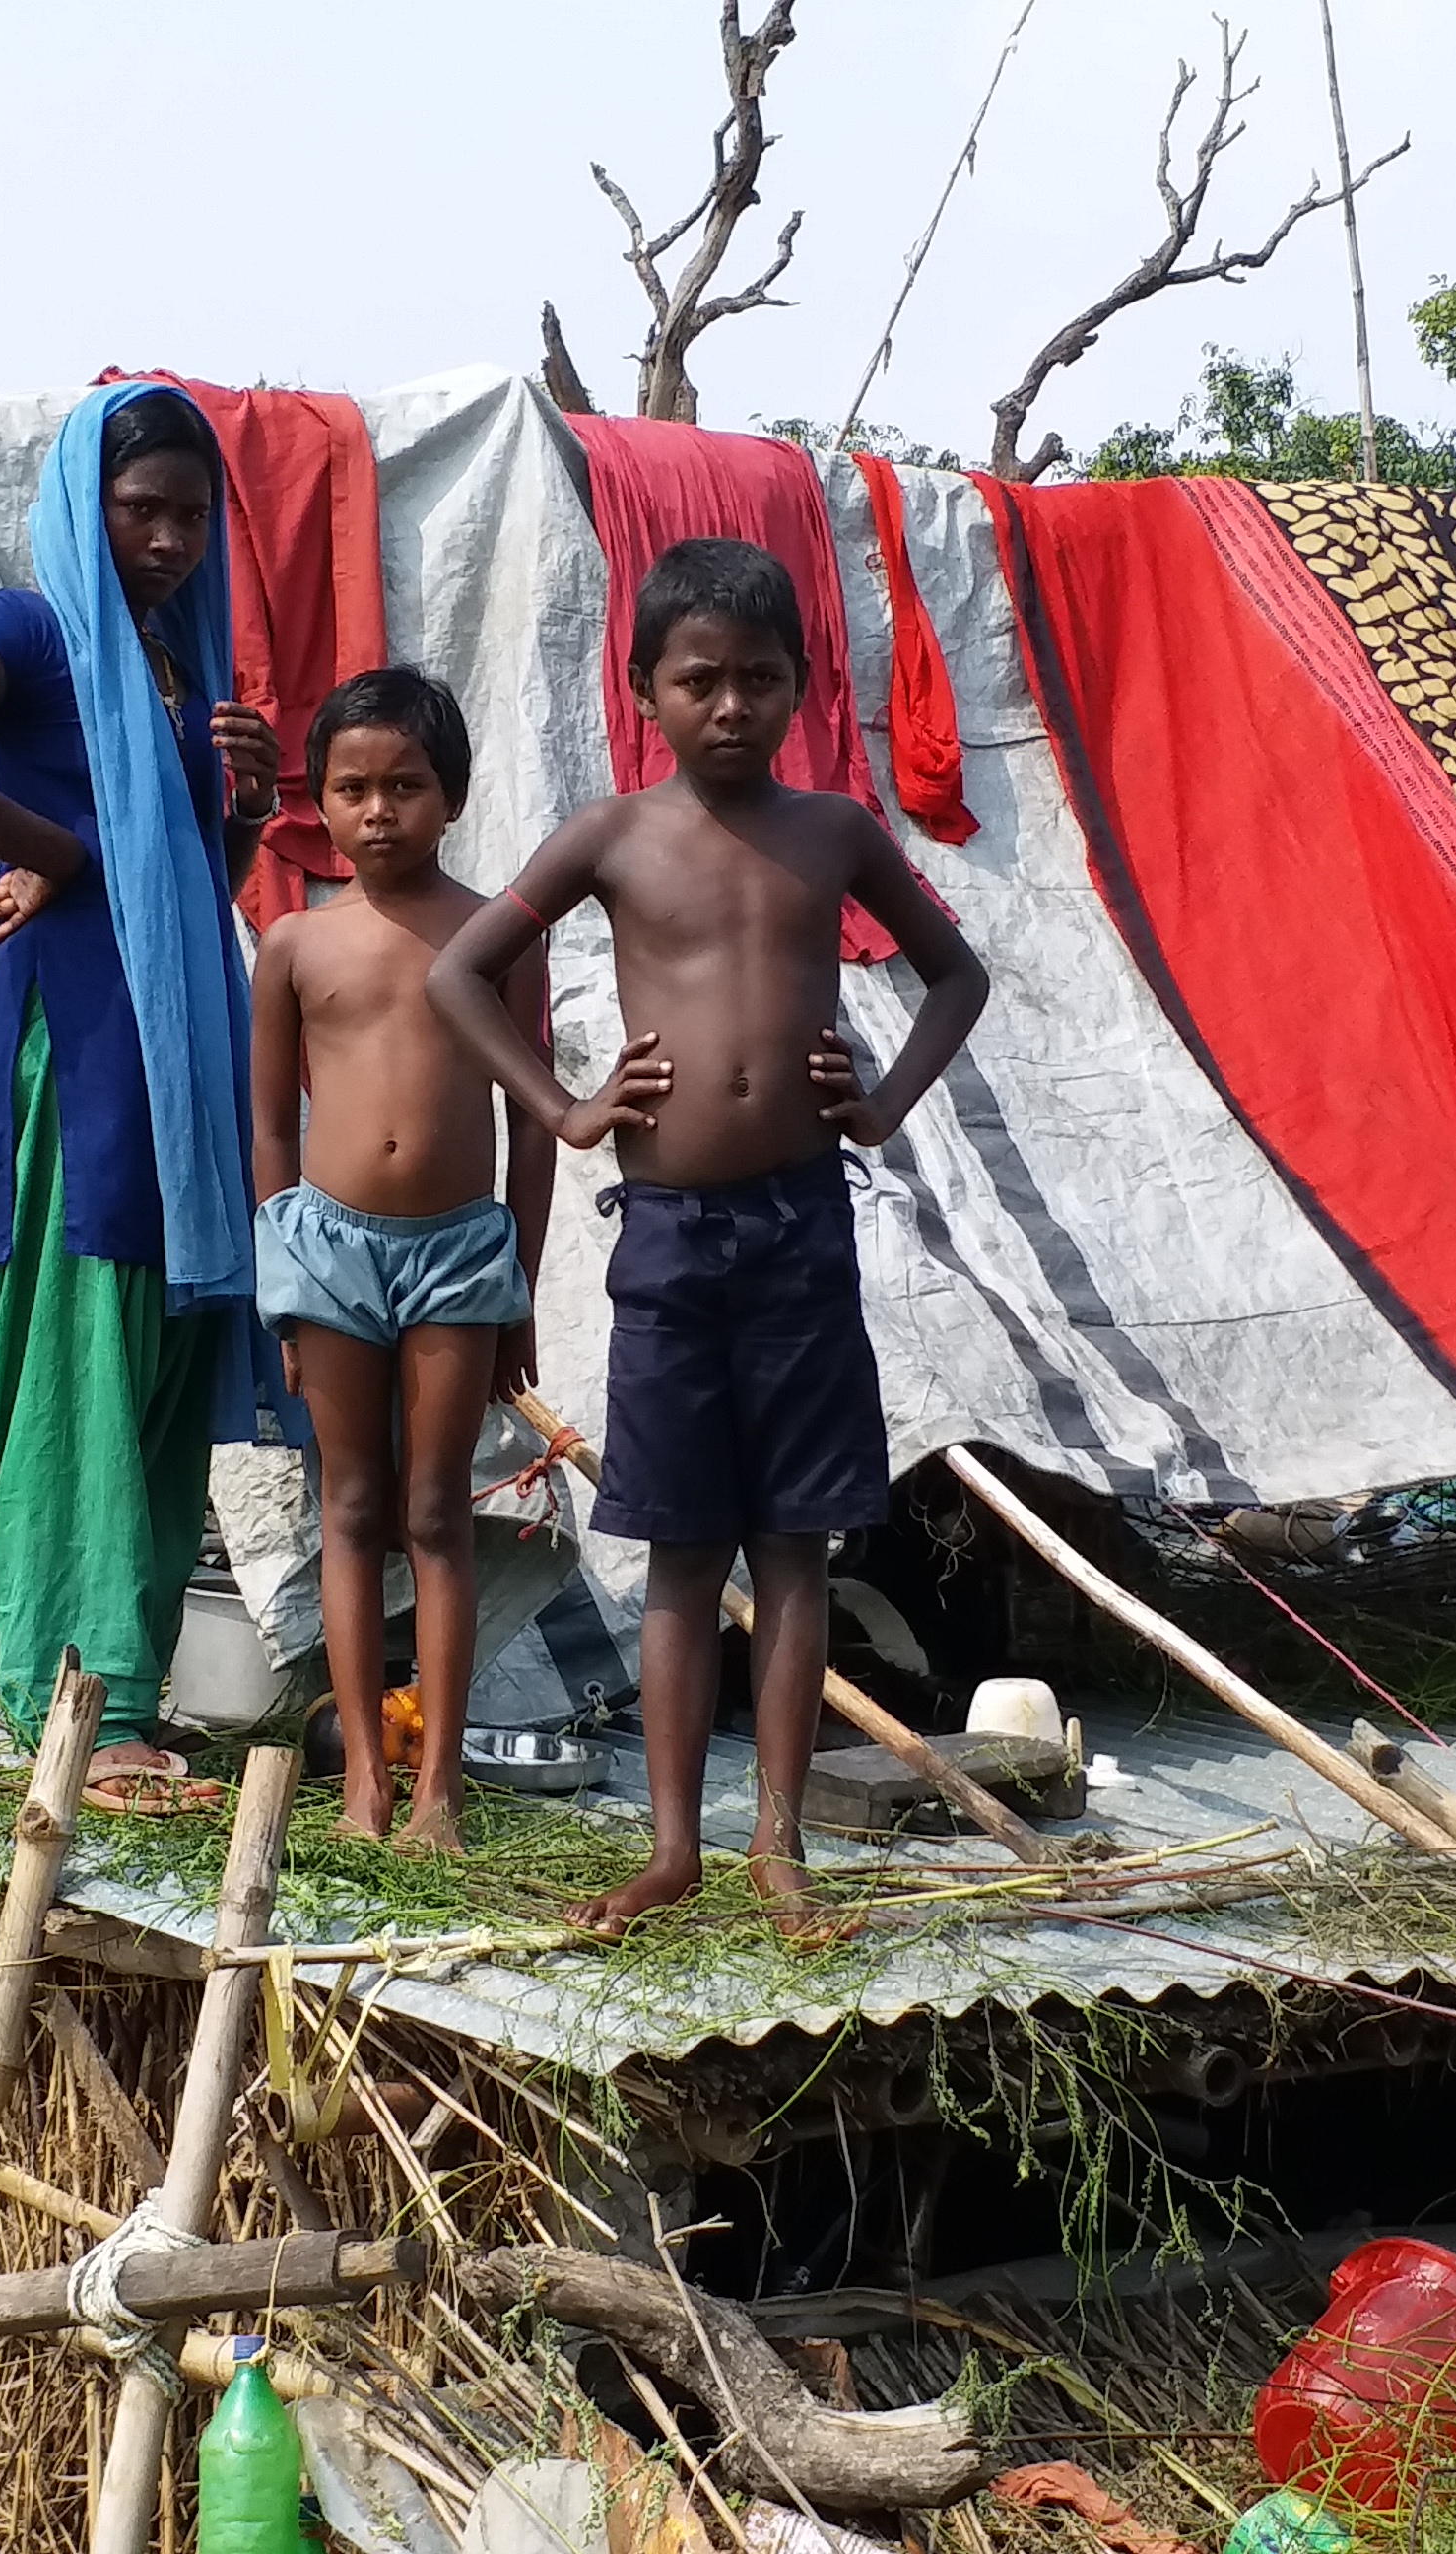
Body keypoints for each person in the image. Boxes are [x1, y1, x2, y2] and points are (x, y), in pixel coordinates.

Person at [429, 536, 991, 1931]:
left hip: (803, 1227)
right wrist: (563, 1105)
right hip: (668, 1236)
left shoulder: (838, 835)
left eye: (757, 680)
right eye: (700, 681)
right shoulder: (611, 835)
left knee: (796, 1544)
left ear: (800, 688)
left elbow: (955, 974)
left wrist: (882, 1105)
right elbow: (458, 970)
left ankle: (779, 1850)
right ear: (645, 693)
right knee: (684, 1552)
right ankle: (676, 1849)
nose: (730, 706)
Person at [0, 386, 280, 1812]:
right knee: (89, 1350)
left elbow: (188, 891)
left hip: (180, 1050)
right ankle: (72, 1693)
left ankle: (130, 1689)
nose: (165, 539)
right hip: (86, 1049)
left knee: (162, 1355)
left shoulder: (172, 663)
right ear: (76, 508)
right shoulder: (27, 631)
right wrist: (78, 847)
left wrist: (237, 808)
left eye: (187, 513)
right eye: (137, 508)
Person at [247, 667, 550, 1851]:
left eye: (407, 787)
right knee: (351, 1506)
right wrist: (281, 1282)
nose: (380, 813)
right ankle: (365, 1774)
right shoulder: (293, 945)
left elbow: (536, 1118)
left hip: (458, 1250)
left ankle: (441, 1788)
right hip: (324, 1245)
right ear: (315, 804)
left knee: (439, 1511)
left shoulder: (497, 937)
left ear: (454, 797)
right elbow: (273, 1127)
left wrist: (517, 1281)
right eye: (352, 789)